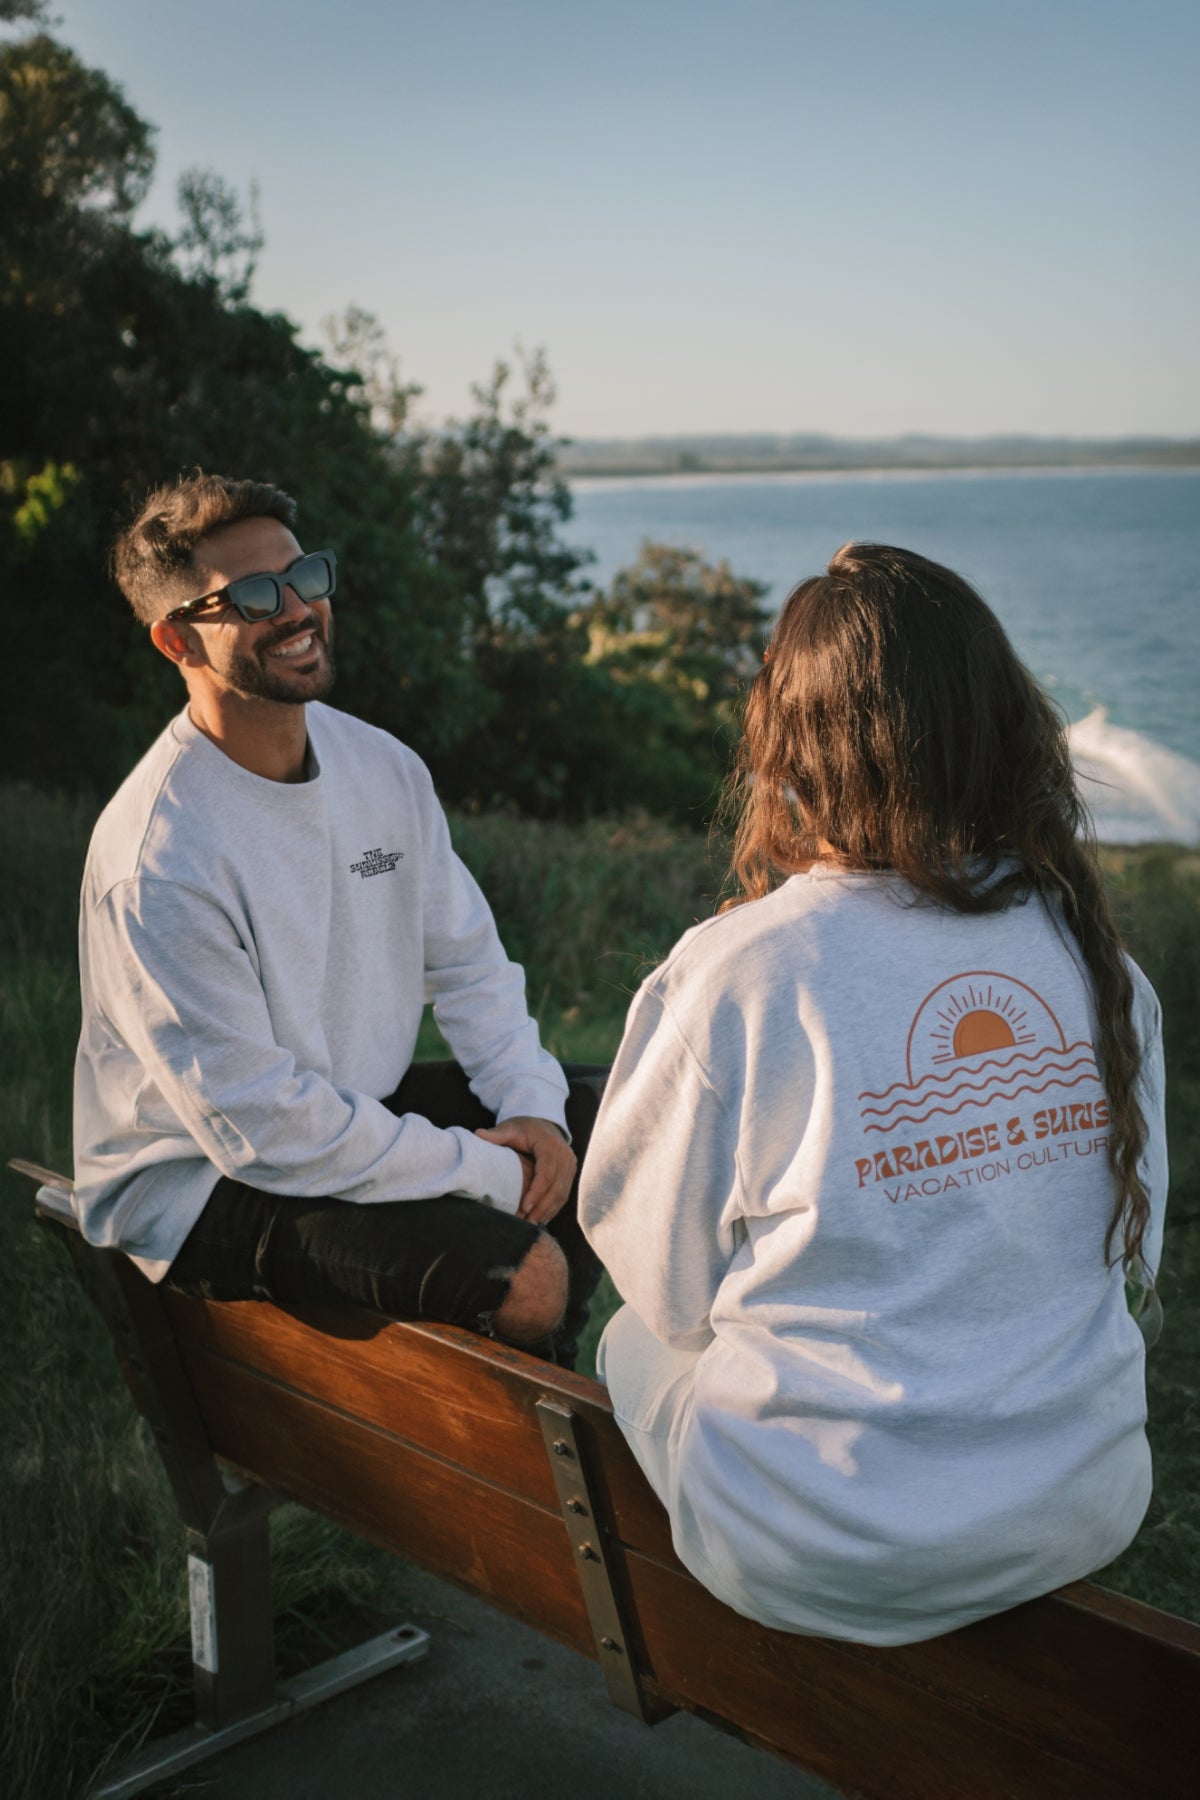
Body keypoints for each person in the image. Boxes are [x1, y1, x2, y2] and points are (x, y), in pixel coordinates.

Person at [579, 542, 1168, 1645]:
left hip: (821, 1547)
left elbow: (663, 1287)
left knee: (627, 1344)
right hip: (1079, 1504)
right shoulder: (1097, 963)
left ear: (791, 743)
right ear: (1001, 727)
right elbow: (1132, 1254)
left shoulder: (738, 971)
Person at [72, 472, 600, 1363]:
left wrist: (534, 1113)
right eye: (249, 596)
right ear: (175, 640)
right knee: (526, 1272)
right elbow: (261, 1126)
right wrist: (485, 1170)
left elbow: (468, 965)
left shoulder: (382, 768)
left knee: (612, 1125)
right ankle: (530, 1475)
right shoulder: (159, 857)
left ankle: (532, 1452)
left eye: (304, 577)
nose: (295, 609)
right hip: (204, 1181)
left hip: (350, 1105)